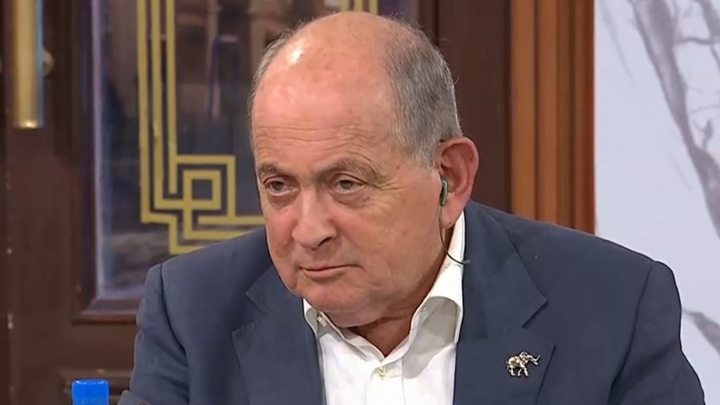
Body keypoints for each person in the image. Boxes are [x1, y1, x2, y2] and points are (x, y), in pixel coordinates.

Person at [119, 11, 705, 405]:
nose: (309, 230)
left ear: (449, 177)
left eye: (346, 184)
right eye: (279, 186)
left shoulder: (612, 306)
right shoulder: (193, 312)